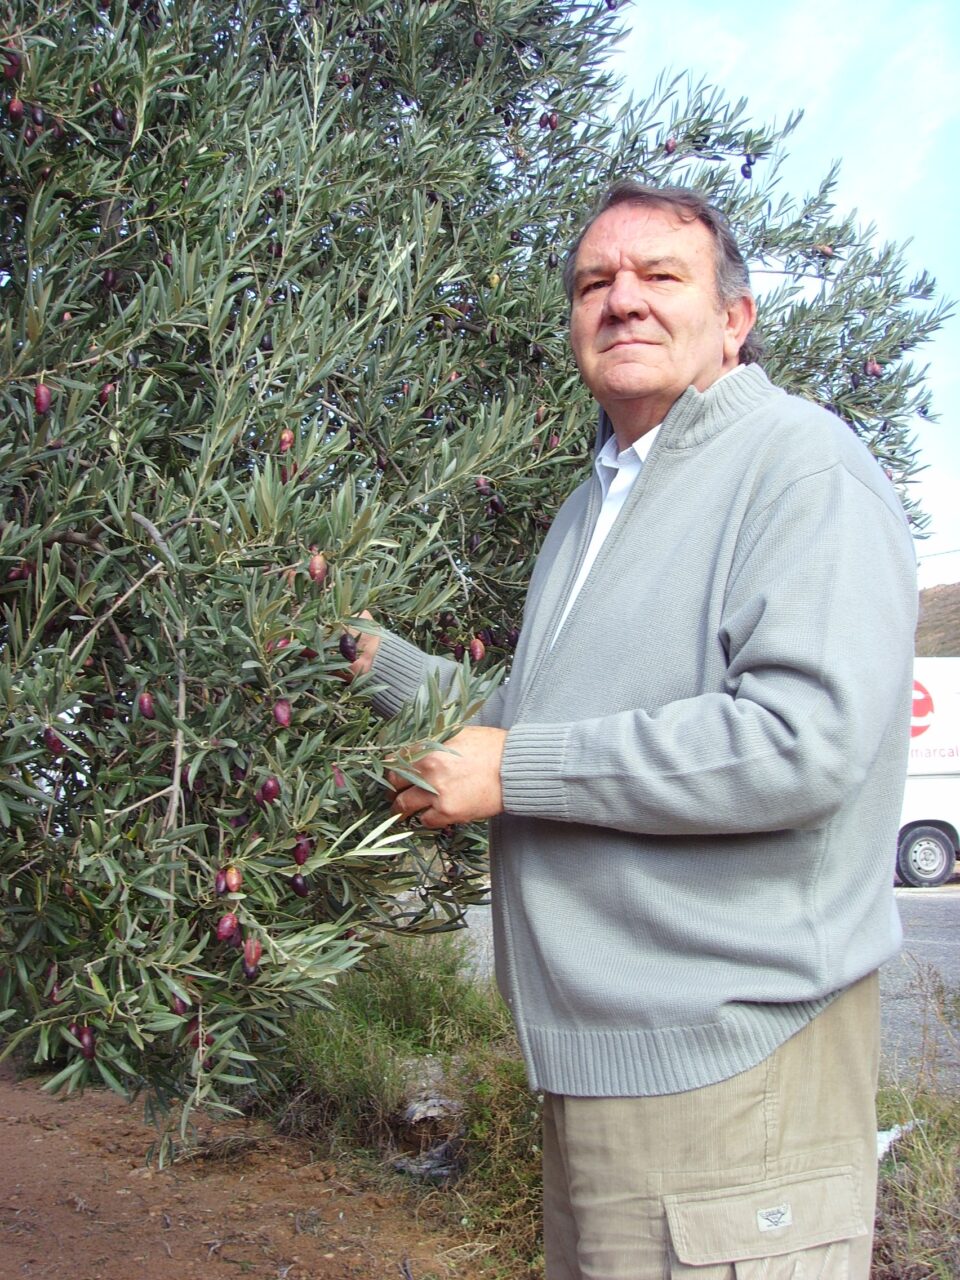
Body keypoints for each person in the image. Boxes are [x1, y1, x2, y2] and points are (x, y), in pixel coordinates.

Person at [348, 181, 917, 1279]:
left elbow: (802, 738)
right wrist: (369, 661)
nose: (624, 301)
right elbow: (528, 726)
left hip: (733, 1066)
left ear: (734, 318)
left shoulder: (801, 465)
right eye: (594, 283)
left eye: (661, 276)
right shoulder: (598, 498)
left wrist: (519, 766)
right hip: (605, 1071)